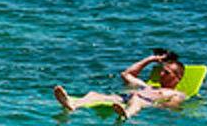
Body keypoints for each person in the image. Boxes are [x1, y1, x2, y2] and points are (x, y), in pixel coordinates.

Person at [54, 51, 192, 121]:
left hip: (143, 102)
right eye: (161, 70)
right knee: (93, 94)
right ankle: (72, 104)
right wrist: (151, 59)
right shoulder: (148, 87)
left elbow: (173, 107)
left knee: (136, 99)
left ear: (177, 77)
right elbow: (126, 74)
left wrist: (156, 103)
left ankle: (127, 114)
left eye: (166, 73)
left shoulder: (177, 93)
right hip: (126, 98)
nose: (161, 74)